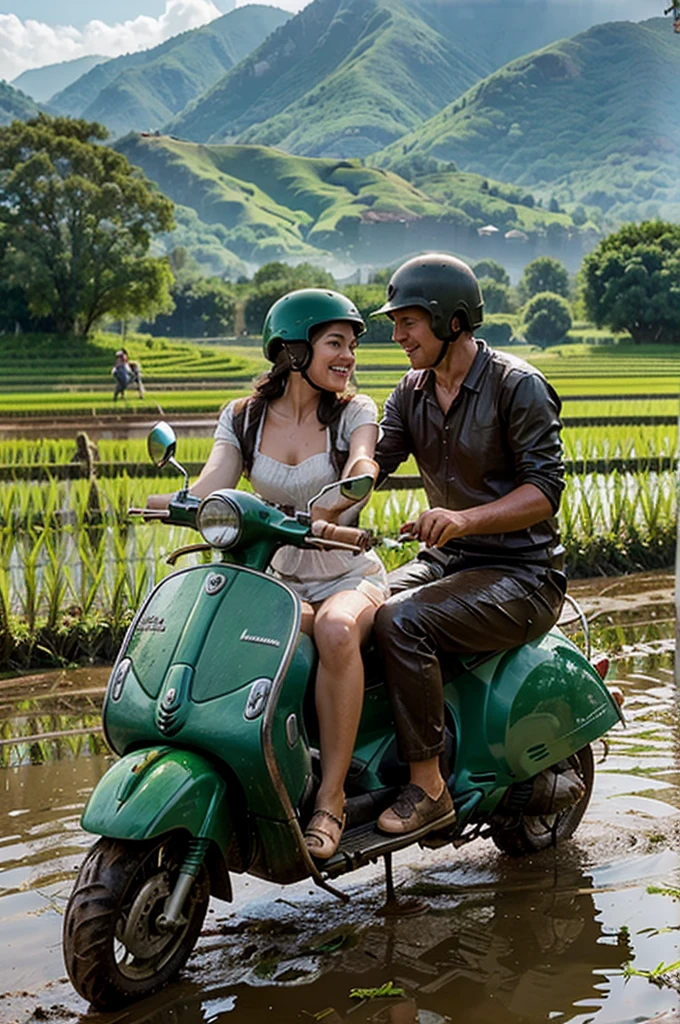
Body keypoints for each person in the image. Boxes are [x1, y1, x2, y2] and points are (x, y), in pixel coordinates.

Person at [147, 288, 389, 859]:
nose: (349, 356)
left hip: (345, 575)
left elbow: (363, 458)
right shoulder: (244, 417)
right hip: (272, 579)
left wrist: (350, 489)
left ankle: (330, 800)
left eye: (352, 345)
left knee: (333, 631)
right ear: (294, 349)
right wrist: (164, 502)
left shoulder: (355, 412)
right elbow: (213, 483)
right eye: (336, 343)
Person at [370, 253, 579, 836]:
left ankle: (429, 786)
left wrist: (463, 522)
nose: (397, 336)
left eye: (408, 322)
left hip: (523, 574)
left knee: (401, 621)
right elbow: (371, 465)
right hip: (449, 564)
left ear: (452, 321)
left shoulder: (517, 386)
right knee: (359, 611)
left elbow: (544, 491)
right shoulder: (410, 392)